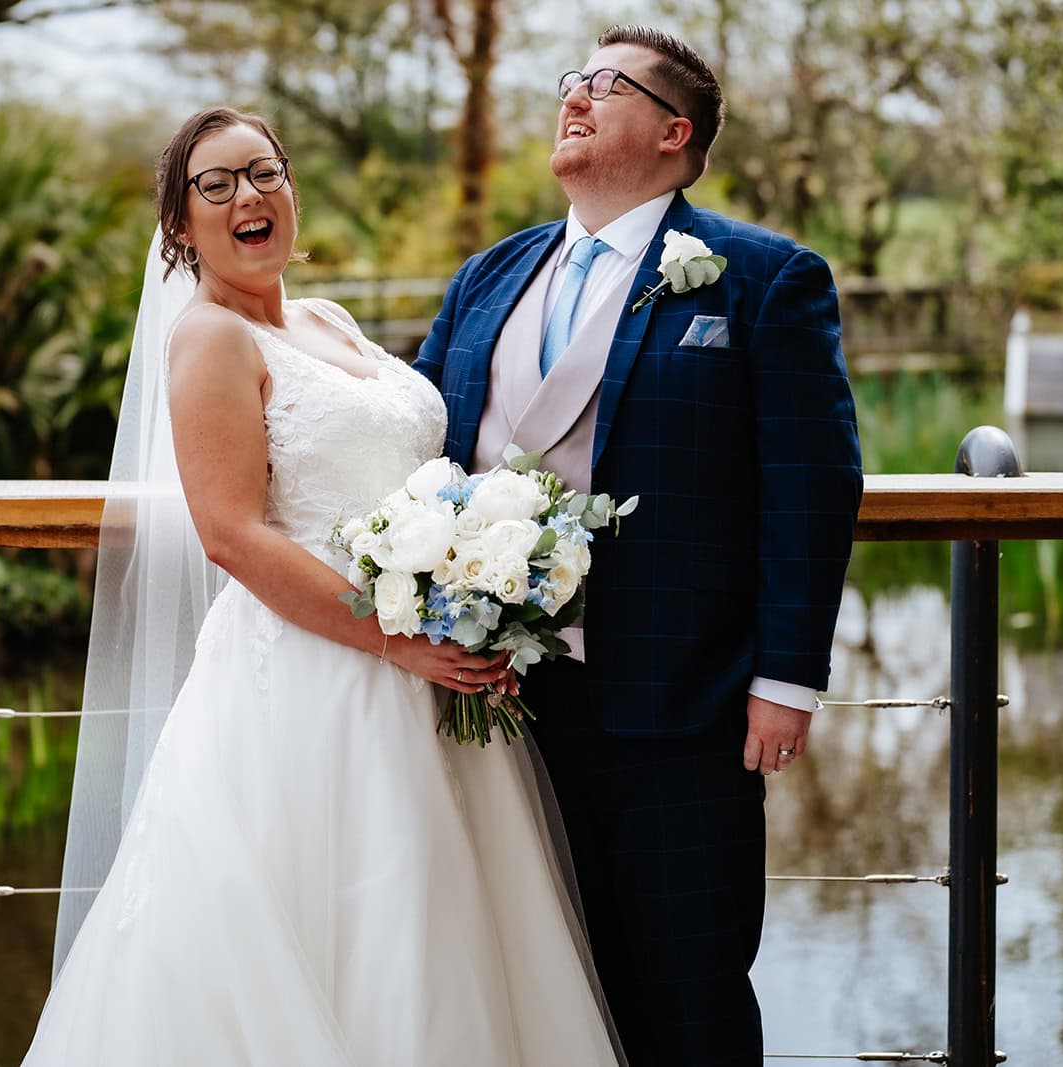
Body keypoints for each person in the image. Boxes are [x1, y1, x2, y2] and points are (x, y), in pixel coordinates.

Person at [22, 107, 623, 1065]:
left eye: (264, 173)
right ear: (180, 227)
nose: (247, 196)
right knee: (337, 922)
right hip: (311, 680)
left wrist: (480, 573)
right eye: (214, 186)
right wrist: (394, 639)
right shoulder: (208, 341)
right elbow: (230, 535)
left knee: (444, 926)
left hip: (431, 668)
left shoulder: (326, 320)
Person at [413, 25, 863, 1067]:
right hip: (494, 705)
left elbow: (810, 481)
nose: (573, 96)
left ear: (673, 131)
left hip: (682, 706)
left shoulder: (762, 277)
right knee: (529, 987)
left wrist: (786, 675)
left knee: (684, 990)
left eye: (603, 85)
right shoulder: (490, 275)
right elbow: (426, 451)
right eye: (569, 80)